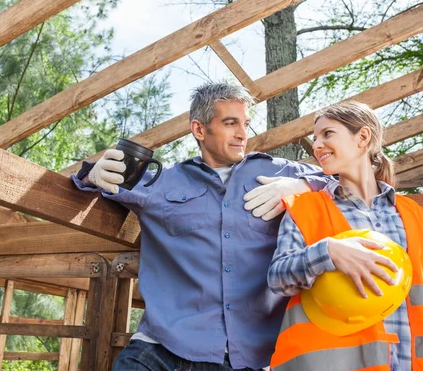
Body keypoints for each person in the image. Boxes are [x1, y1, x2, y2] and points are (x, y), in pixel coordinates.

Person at [71, 82, 326, 370]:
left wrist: (302, 184)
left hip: (251, 357)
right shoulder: (162, 182)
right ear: (199, 129)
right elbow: (87, 184)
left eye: (245, 124)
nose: (243, 134)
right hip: (162, 350)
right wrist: (93, 173)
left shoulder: (279, 173)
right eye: (231, 123)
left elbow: (345, 178)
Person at [267, 101, 423, 371]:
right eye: (315, 138)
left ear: (363, 137)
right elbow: (278, 278)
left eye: (327, 134)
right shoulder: (305, 208)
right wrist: (328, 252)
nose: (316, 145)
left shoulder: (410, 213)